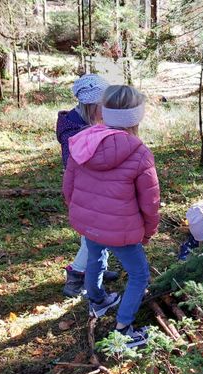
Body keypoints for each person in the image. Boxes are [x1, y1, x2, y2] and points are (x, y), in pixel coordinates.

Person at [63, 85, 160, 348]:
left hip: (89, 223)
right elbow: (150, 202)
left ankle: (96, 299)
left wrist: (81, 215)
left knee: (96, 255)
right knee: (139, 275)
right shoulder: (139, 153)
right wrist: (148, 231)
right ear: (136, 117)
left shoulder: (83, 142)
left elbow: (68, 187)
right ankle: (124, 329)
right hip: (122, 229)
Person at [56, 74, 119, 297]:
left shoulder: (90, 122)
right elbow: (78, 165)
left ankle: (98, 268)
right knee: (93, 235)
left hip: (96, 188)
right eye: (104, 105)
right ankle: (76, 276)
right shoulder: (73, 132)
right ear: (92, 105)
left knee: (101, 232)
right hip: (85, 190)